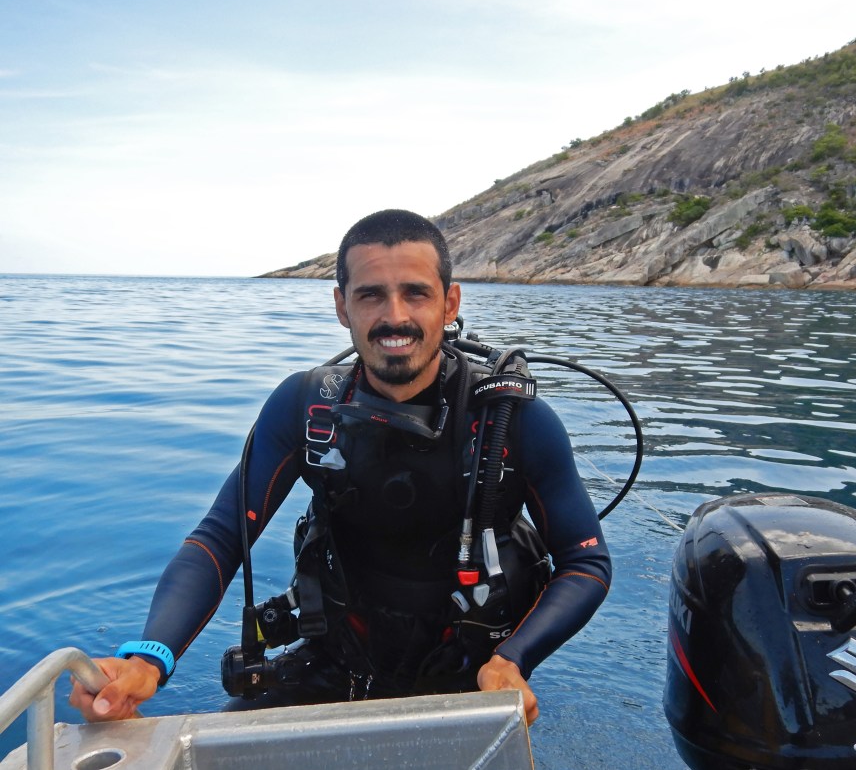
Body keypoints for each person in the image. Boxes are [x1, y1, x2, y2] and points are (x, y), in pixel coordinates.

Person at [70, 209, 611, 725]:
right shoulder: (306, 406)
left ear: (449, 304)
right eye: (370, 294)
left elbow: (585, 563)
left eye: (415, 293)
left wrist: (513, 659)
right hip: (337, 658)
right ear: (341, 306)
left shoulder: (511, 421)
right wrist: (149, 657)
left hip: (472, 674)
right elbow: (221, 536)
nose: (394, 316)